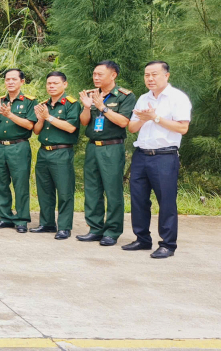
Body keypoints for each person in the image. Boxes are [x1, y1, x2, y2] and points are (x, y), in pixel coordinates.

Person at [124, 61, 191, 259]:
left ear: (166, 75)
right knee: (138, 199)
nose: (150, 79)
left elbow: (182, 128)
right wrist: (144, 119)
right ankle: (142, 238)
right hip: (141, 155)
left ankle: (168, 244)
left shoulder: (177, 98)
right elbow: (132, 128)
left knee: (166, 201)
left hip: (164, 156)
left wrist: (155, 117)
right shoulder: (143, 98)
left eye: (154, 74)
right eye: (147, 75)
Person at [77, 60, 136, 246]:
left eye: (100, 74)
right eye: (94, 74)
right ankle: (95, 229)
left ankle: (112, 231)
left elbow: (123, 122)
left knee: (112, 190)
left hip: (112, 147)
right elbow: (84, 122)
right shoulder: (90, 95)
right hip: (93, 146)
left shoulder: (124, 96)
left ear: (113, 75)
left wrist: (103, 107)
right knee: (92, 189)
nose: (95, 77)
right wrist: (87, 106)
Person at [0, 69, 37, 233]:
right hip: (0, 146)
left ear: (22, 81)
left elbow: (30, 125)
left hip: (19, 146)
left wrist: (9, 114)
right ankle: (5, 217)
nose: (10, 82)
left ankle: (22, 219)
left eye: (14, 79)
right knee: (0, 184)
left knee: (20, 184)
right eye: (7, 79)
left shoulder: (30, 101)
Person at [32, 71, 80, 240]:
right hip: (44, 151)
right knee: (44, 190)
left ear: (64, 84)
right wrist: (40, 119)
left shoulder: (71, 104)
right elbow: (37, 131)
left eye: (55, 83)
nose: (51, 86)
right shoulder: (44, 105)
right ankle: (47, 223)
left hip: (61, 152)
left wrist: (48, 117)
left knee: (65, 191)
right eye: (49, 83)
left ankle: (65, 227)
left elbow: (71, 128)